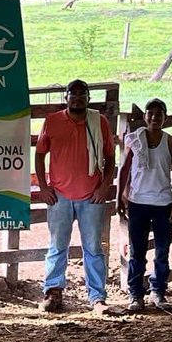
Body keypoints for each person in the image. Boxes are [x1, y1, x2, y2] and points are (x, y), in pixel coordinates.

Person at [35, 78, 115, 315]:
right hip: (59, 195)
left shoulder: (99, 122)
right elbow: (39, 154)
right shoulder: (52, 121)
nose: (78, 98)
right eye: (73, 94)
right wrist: (43, 187)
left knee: (93, 247)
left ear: (88, 98)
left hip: (92, 196)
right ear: (66, 98)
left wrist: (104, 187)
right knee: (57, 245)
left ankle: (97, 297)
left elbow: (110, 157)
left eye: (82, 94)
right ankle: (53, 292)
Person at [118, 98, 172, 313]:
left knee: (162, 252)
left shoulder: (171, 142)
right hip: (138, 202)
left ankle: (158, 291)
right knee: (137, 252)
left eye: (159, 114)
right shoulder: (134, 140)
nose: (154, 117)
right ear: (145, 117)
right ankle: (136, 293)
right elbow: (124, 169)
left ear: (165, 117)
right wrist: (120, 196)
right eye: (150, 113)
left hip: (164, 203)